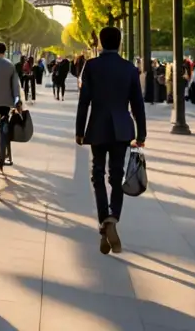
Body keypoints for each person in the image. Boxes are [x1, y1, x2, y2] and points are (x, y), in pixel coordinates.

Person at [76, 26, 146, 255]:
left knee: (97, 174)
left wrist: (79, 130)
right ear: (120, 43)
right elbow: (137, 104)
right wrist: (141, 134)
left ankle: (103, 219)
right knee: (116, 175)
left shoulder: (92, 66)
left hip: (97, 126)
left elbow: (84, 101)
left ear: (100, 43)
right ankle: (113, 218)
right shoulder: (129, 68)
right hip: (122, 128)